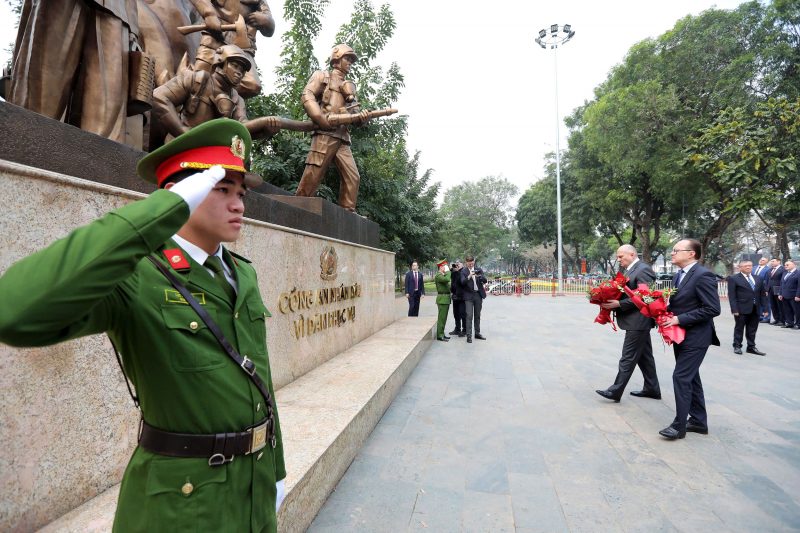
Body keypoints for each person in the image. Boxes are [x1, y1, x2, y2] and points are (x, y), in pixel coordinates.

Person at [0, 119, 286, 532]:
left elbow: (262, 380)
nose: (239, 204)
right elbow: (15, 311)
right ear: (178, 196)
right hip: (183, 505)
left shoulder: (241, 274)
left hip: (254, 492)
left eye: (240, 193)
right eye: (222, 190)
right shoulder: (135, 274)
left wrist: (275, 469)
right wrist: (159, 214)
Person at [294, 45, 372, 212]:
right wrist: (319, 118)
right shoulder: (323, 76)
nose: (350, 63)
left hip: (342, 138)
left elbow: (356, 117)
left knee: (352, 177)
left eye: (351, 61)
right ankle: (298, 207)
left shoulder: (349, 87)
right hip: (325, 133)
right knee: (314, 172)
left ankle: (348, 213)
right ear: (336, 59)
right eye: (347, 59)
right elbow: (307, 96)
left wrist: (363, 119)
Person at [657, 239, 720, 440]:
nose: (672, 253)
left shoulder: (703, 275)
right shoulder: (678, 275)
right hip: (681, 335)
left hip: (697, 336)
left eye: (676, 250)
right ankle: (699, 422)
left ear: (691, 253)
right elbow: (681, 304)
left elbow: (712, 309)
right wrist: (659, 310)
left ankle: (679, 426)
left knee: (681, 377)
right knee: (691, 377)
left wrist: (678, 319)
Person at [152, 44, 280, 141]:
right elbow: (159, 97)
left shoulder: (236, 99)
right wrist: (183, 132)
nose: (239, 73)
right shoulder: (194, 79)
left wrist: (265, 131)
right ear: (220, 63)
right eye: (235, 66)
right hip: (182, 149)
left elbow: (241, 127)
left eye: (242, 70)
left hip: (214, 153)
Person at [596, 245, 661, 402]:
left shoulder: (643, 270)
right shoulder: (632, 270)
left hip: (638, 321)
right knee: (645, 357)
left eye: (621, 256)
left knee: (628, 357)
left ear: (632, 254)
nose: (618, 260)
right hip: (635, 321)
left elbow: (647, 296)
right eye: (618, 257)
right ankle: (652, 389)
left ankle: (615, 391)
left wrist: (620, 304)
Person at [188, 0, 275, 99]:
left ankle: (219, 98)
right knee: (198, 79)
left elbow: (270, 28)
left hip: (242, 46)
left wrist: (265, 20)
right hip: (215, 37)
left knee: (252, 85)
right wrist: (209, 14)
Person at [727, 260, 769, 354]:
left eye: (750, 265)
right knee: (739, 328)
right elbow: (732, 295)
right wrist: (734, 309)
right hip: (741, 308)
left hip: (755, 308)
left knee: (752, 329)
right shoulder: (733, 278)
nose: (748, 267)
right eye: (745, 266)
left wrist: (765, 308)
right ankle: (737, 346)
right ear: (740, 267)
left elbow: (762, 295)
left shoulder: (758, 278)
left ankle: (751, 347)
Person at [459, 254, 488, 343]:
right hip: (468, 296)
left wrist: (480, 276)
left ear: (474, 261)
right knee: (469, 316)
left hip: (478, 295)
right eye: (469, 264)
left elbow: (485, 280)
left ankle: (477, 333)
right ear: (466, 262)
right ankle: (469, 336)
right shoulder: (463, 271)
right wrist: (469, 276)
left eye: (472, 263)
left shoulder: (478, 269)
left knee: (477, 315)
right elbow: (462, 282)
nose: (471, 265)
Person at [778, 260, 800, 329]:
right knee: (787, 310)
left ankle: (798, 324)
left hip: (794, 295)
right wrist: (780, 294)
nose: (786, 266)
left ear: (793, 265)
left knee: (797, 311)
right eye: (785, 265)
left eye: (787, 265)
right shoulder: (785, 273)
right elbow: (782, 284)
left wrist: (798, 295)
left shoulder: (798, 273)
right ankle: (789, 322)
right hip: (785, 295)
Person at [434, 260, 452, 342]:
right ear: (440, 267)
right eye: (444, 266)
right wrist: (448, 271)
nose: (445, 268)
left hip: (445, 299)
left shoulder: (442, 275)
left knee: (444, 318)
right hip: (442, 299)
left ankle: (442, 333)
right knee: (441, 318)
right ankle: (440, 335)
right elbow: (448, 279)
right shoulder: (438, 276)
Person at [766, 258, 786, 326]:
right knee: (773, 305)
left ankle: (782, 320)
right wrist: (767, 289)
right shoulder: (770, 270)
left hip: (778, 289)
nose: (772, 262)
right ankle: (776, 319)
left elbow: (783, 281)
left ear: (779, 261)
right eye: (771, 261)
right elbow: (768, 280)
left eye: (773, 261)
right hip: (771, 290)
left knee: (780, 305)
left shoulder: (783, 269)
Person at [449, 260, 466, 337]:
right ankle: (457, 328)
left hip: (462, 296)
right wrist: (451, 270)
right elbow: (451, 280)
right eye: (456, 263)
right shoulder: (453, 272)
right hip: (455, 295)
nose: (457, 265)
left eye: (459, 263)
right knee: (456, 313)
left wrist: (458, 271)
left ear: (462, 264)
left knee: (462, 313)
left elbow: (461, 281)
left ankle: (464, 329)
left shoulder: (463, 272)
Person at [754, 258, 771, 323]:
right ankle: (759, 316)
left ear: (766, 262)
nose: (761, 260)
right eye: (760, 259)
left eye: (763, 260)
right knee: (757, 302)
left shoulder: (768, 269)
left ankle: (766, 317)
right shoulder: (754, 268)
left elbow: (767, 279)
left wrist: (758, 283)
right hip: (754, 288)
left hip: (763, 287)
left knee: (765, 302)